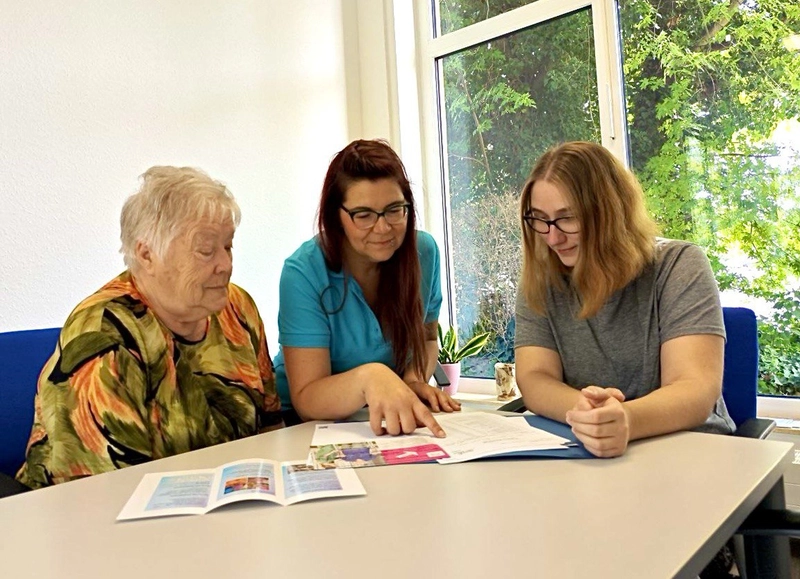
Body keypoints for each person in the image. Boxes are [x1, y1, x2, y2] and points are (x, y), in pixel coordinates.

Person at [17, 166, 283, 489]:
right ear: (147, 254)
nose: (225, 264)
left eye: (228, 246)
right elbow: (104, 494)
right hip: (98, 521)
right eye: (206, 250)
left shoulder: (237, 309)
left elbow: (272, 430)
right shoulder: (103, 335)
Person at [514, 141, 735, 459]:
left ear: (609, 212)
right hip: (588, 454)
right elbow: (534, 377)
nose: (552, 237)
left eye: (568, 218)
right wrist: (588, 414)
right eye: (540, 219)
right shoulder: (542, 277)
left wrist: (625, 420)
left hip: (691, 451)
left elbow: (696, 389)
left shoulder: (679, 264)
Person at [273, 139, 458, 438]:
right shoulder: (302, 272)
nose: (383, 228)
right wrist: (371, 377)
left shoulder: (425, 252)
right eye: (363, 215)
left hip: (383, 419)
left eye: (394, 210)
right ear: (337, 216)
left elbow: (426, 338)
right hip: (303, 426)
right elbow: (306, 399)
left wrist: (412, 381)